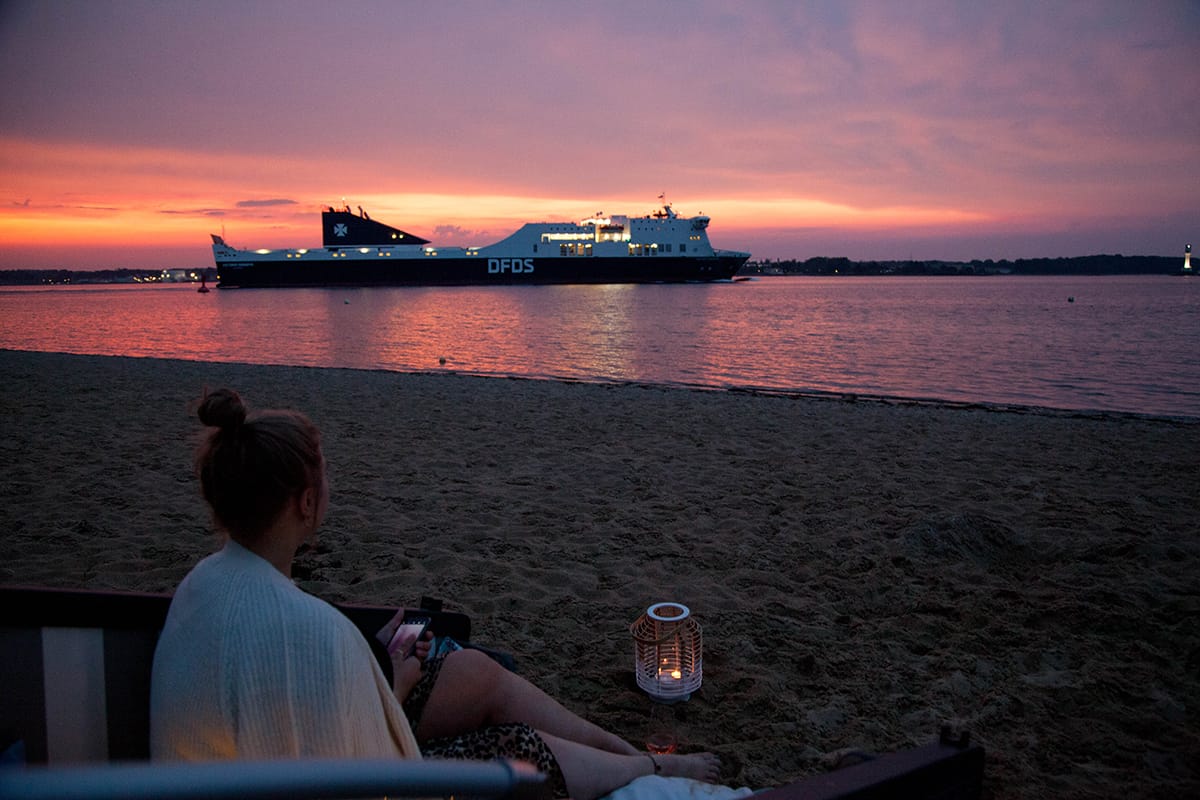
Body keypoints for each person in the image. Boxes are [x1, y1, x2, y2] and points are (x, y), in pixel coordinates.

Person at [150, 388, 720, 800]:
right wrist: (389, 685)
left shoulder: (204, 583)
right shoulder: (312, 631)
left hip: (263, 756)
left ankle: (627, 752)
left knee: (474, 672)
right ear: (304, 503)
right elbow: (363, 772)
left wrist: (384, 678)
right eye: (325, 478)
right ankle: (647, 771)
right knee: (519, 747)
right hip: (339, 776)